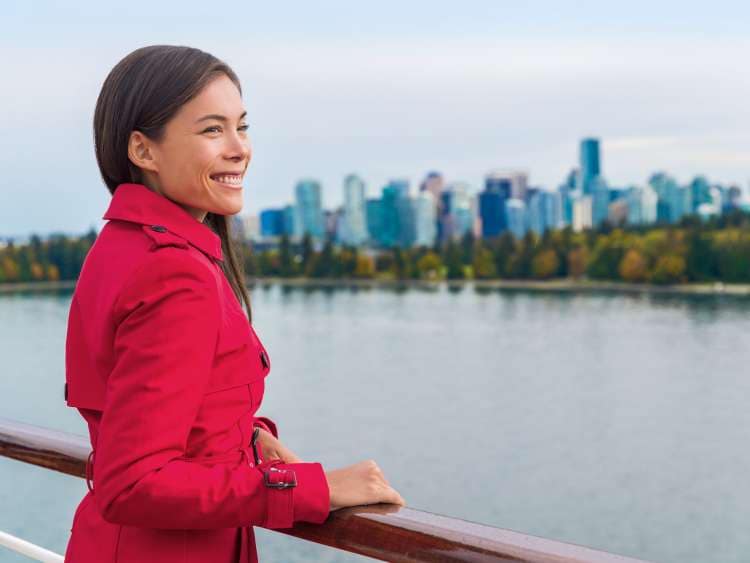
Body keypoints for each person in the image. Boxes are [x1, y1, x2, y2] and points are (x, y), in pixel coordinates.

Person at [63, 44, 405, 563]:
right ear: (144, 150)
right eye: (211, 130)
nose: (239, 148)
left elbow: (150, 409)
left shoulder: (120, 247)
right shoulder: (174, 272)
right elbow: (133, 482)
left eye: (241, 127)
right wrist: (314, 489)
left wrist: (247, 439)